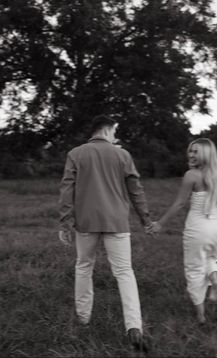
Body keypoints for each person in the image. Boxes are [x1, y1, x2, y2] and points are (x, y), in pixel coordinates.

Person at [58, 114, 155, 351]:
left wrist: (64, 222)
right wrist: (146, 219)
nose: (115, 136)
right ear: (108, 129)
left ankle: (83, 319)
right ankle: (134, 327)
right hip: (117, 222)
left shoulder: (76, 154)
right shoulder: (122, 154)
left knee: (83, 266)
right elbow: (136, 190)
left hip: (86, 222)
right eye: (114, 131)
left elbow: (66, 190)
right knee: (124, 272)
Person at [154, 138, 217, 324]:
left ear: (205, 154)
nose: (190, 154)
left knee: (194, 269)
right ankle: (214, 278)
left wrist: (160, 223)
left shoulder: (191, 175)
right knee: (210, 258)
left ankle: (200, 316)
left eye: (196, 151)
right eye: (190, 150)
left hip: (198, 229)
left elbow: (180, 203)